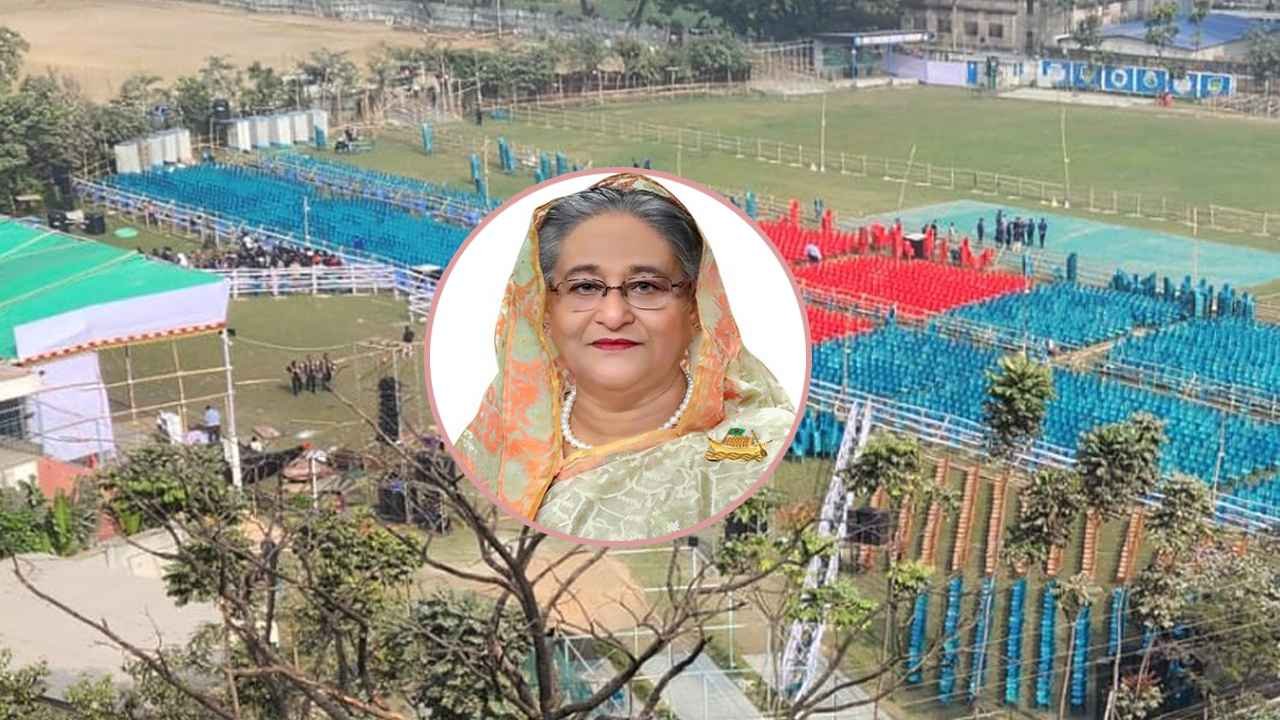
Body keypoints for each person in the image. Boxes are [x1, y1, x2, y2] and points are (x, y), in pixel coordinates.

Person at [455, 173, 796, 542]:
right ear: (544, 310)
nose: (614, 315)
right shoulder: (489, 443)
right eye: (585, 287)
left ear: (695, 306)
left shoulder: (755, 450)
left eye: (645, 286)